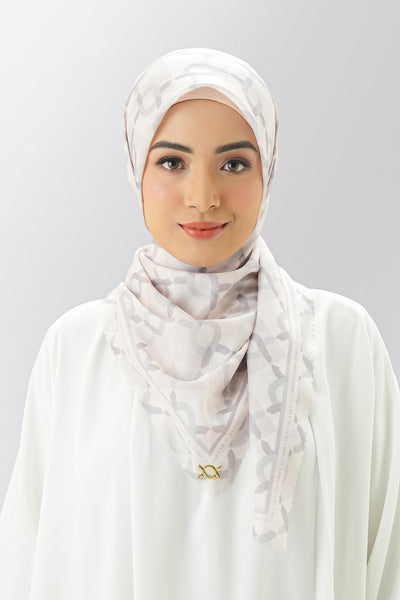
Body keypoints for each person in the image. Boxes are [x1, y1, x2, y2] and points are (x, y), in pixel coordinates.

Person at [0, 47, 399, 600]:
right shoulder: (76, 349)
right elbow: (28, 563)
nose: (203, 197)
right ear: (136, 168)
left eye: (234, 164)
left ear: (268, 169)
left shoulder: (342, 342)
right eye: (172, 162)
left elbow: (388, 556)